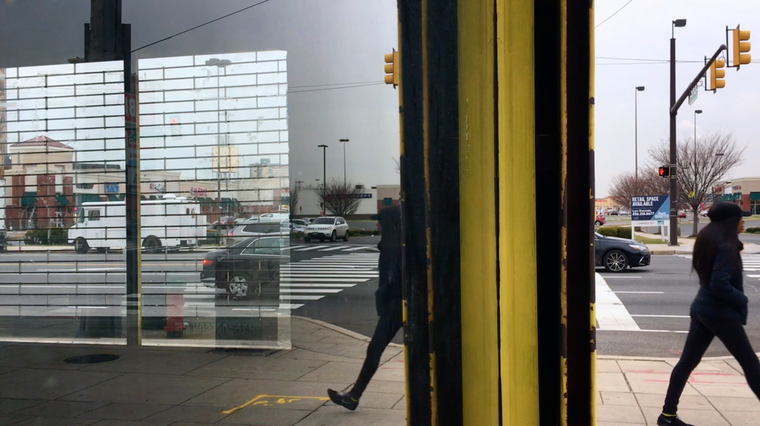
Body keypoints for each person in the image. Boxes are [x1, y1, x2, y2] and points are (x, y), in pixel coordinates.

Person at [658, 202, 760, 426]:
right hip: (719, 313)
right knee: (751, 364)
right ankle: (666, 416)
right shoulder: (726, 245)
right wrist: (742, 299)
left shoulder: (709, 237)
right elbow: (719, 284)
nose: (744, 221)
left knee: (687, 362)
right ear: (732, 222)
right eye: (741, 218)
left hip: (702, 308)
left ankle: (667, 416)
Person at [327, 206, 403, 411]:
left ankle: (354, 396)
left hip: (395, 308)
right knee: (376, 349)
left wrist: (382, 298)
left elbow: (391, 281)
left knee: (375, 349)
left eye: (379, 221)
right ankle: (353, 396)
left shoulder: (391, 247)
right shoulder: (396, 244)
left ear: (387, 224)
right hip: (400, 305)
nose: (377, 224)